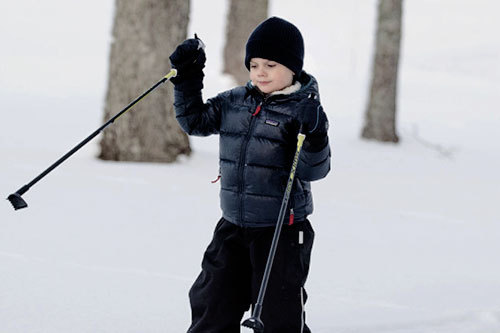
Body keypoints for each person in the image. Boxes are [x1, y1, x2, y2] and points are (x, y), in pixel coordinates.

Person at [169, 16, 331, 333]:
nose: (260, 72)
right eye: (254, 64)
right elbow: (196, 122)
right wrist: (187, 80)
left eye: (270, 65)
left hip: (281, 230)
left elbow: (314, 169)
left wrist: (315, 134)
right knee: (212, 302)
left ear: (293, 67)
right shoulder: (234, 101)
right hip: (232, 226)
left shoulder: (303, 110)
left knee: (277, 314)